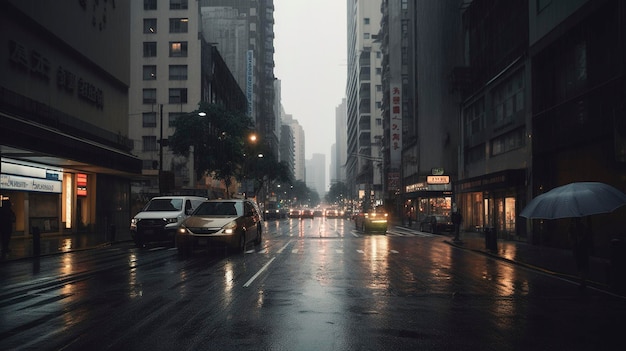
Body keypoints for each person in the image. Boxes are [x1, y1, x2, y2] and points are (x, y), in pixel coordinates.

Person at [569, 217, 592, 289]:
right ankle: (582, 279)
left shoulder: (581, 227)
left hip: (581, 248)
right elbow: (570, 237)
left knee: (582, 264)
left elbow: (572, 238)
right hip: (578, 248)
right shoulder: (572, 228)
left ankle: (583, 280)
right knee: (581, 264)